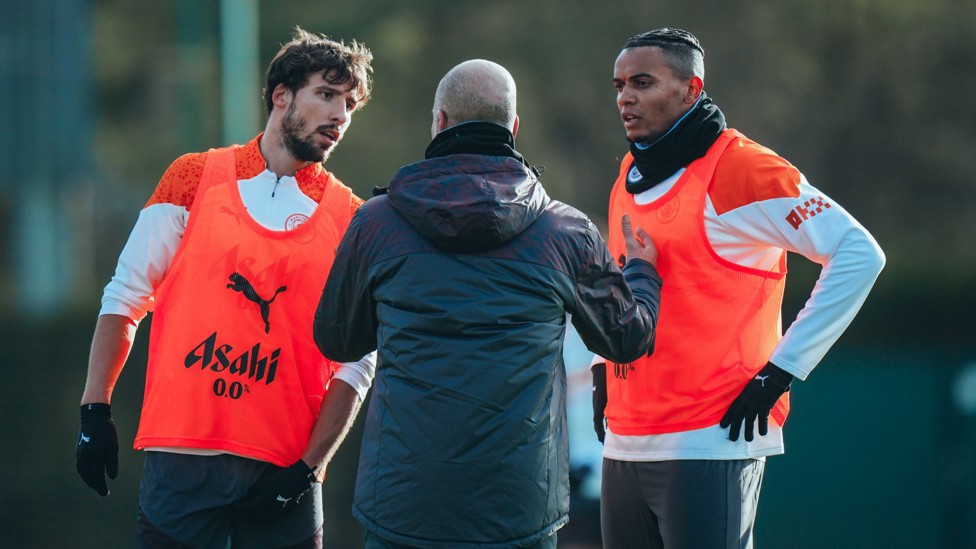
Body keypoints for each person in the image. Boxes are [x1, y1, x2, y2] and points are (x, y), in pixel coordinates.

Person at [313, 59, 662, 549]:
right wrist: (643, 272)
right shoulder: (567, 232)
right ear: (514, 129)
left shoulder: (376, 223)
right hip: (520, 511)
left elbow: (336, 340)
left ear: (439, 122)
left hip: (403, 506)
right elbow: (628, 338)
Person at [75, 28, 376, 549]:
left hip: (285, 475)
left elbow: (358, 361)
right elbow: (125, 299)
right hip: (183, 458)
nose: (341, 115)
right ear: (281, 95)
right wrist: (94, 410)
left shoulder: (352, 219)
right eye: (327, 94)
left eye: (349, 103)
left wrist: (308, 469)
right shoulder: (192, 178)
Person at [592, 28, 886, 549]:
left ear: (690, 88)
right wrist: (601, 375)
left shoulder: (742, 168)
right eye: (618, 85)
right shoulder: (629, 170)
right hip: (625, 440)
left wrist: (781, 370)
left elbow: (860, 254)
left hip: (711, 438)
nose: (625, 98)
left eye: (642, 82)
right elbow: (620, 282)